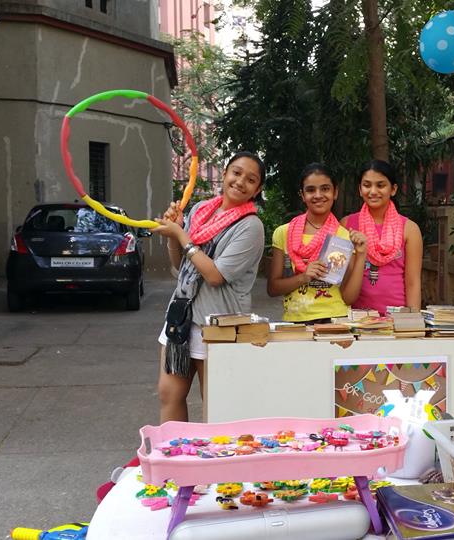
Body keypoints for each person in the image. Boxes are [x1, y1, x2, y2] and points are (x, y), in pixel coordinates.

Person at [153, 151, 266, 423]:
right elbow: (181, 265)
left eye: (251, 179)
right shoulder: (201, 210)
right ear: (225, 173)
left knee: (216, 405)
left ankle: (216, 464)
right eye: (236, 172)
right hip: (181, 317)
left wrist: (181, 235)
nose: (240, 182)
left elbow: (215, 275)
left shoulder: (251, 226)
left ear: (257, 189)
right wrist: (175, 231)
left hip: (219, 325)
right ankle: (176, 460)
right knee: (168, 394)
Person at [267, 163, 367, 322]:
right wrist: (304, 277)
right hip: (296, 320)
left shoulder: (344, 237)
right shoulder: (283, 233)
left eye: (325, 189)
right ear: (302, 195)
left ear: (335, 193)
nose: (318, 195)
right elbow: (273, 288)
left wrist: (361, 255)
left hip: (335, 320)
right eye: (311, 190)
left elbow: (349, 298)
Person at [340, 159, 422, 315]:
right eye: (367, 185)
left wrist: (412, 323)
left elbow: (412, 282)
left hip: (397, 317)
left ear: (393, 189)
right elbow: (342, 279)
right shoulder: (346, 225)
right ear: (359, 189)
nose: (373, 191)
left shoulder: (410, 229)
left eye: (380, 185)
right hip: (357, 318)